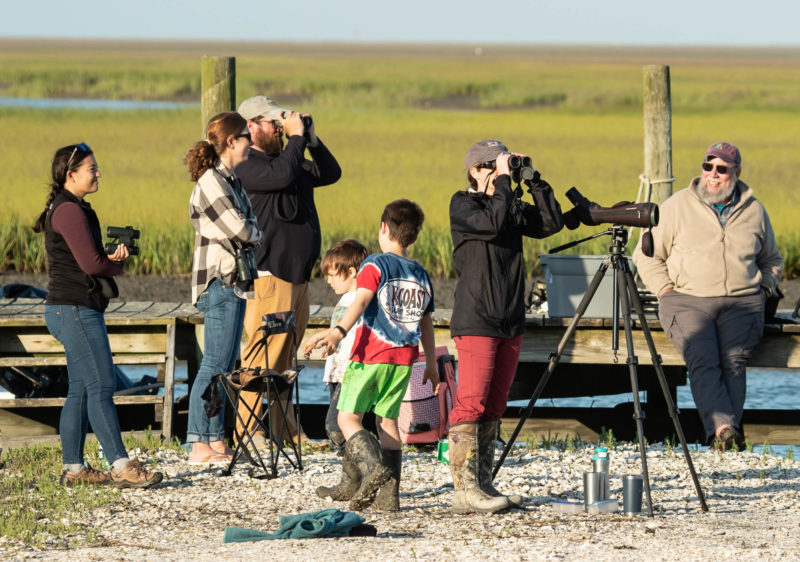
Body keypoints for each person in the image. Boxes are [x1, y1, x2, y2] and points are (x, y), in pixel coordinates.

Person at [633, 142, 782, 450]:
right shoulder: (676, 206)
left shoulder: (755, 210)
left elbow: (772, 260)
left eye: (722, 169)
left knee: (734, 362)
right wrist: (664, 289)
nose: (712, 174)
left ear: (736, 173)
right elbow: (644, 255)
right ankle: (726, 430)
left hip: (742, 302)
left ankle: (723, 435)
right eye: (707, 166)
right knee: (702, 359)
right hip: (686, 299)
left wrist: (764, 289)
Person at [34, 143, 163, 488]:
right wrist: (115, 262)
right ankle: (121, 464)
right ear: (70, 174)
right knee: (102, 385)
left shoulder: (69, 208)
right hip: (74, 309)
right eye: (92, 168)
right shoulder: (68, 211)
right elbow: (92, 264)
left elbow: (86, 259)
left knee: (80, 389)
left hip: (70, 308)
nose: (98, 173)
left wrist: (109, 258)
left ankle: (74, 469)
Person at [449, 139, 564, 513]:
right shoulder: (462, 204)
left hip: (510, 318)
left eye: (503, 167)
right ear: (475, 170)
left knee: (495, 405)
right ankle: (464, 490)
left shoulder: (507, 204)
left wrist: (534, 181)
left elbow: (550, 223)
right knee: (472, 402)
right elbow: (492, 221)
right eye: (492, 167)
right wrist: (502, 183)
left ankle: (483, 484)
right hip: (477, 318)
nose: (501, 175)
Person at [304, 199, 437, 512]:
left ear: (383, 228)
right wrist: (431, 363)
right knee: (388, 422)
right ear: (415, 236)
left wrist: (338, 331)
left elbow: (361, 301)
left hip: (371, 355)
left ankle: (374, 469)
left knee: (347, 418)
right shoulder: (420, 273)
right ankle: (389, 499)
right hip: (405, 359)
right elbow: (427, 323)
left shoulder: (375, 264)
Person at [235, 95, 342, 445]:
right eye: (272, 123)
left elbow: (330, 173)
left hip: (297, 276)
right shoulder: (248, 165)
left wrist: (310, 139)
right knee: (261, 354)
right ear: (251, 127)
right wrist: (296, 140)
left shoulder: (288, 161)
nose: (279, 128)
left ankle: (287, 431)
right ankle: (247, 432)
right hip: (270, 275)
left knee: (285, 360)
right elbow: (280, 177)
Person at [184, 112, 263, 465]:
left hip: (236, 280)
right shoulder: (212, 181)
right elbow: (243, 229)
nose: (251, 140)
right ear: (231, 141)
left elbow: (252, 226)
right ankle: (199, 442)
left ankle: (216, 440)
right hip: (218, 281)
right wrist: (248, 230)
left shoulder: (232, 180)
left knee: (226, 362)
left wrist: (249, 229)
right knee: (214, 361)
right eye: (246, 135)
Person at [312, 238, 369, 501]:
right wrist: (323, 338)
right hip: (336, 371)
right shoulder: (345, 298)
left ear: (352, 272)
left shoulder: (361, 298)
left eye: (333, 275)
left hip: (351, 371)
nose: (328, 281)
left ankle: (368, 469)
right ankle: (352, 480)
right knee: (338, 426)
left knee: (335, 426)